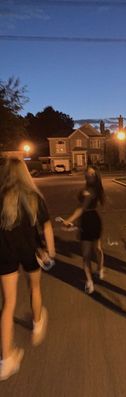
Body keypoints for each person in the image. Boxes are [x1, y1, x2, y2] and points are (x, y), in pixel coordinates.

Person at [0, 157, 55, 381]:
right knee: (35, 288)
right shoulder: (34, 196)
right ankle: (37, 323)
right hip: (30, 251)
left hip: (4, 252)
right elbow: (47, 226)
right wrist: (50, 252)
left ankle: (6, 360)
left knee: (8, 304)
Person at [63, 166, 105, 294]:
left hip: (93, 220)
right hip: (84, 222)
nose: (89, 175)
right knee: (86, 254)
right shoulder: (86, 189)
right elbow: (79, 208)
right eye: (88, 173)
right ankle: (89, 281)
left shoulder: (93, 190)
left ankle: (100, 268)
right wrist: (76, 222)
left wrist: (69, 219)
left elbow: (82, 208)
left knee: (97, 249)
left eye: (92, 173)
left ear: (96, 176)